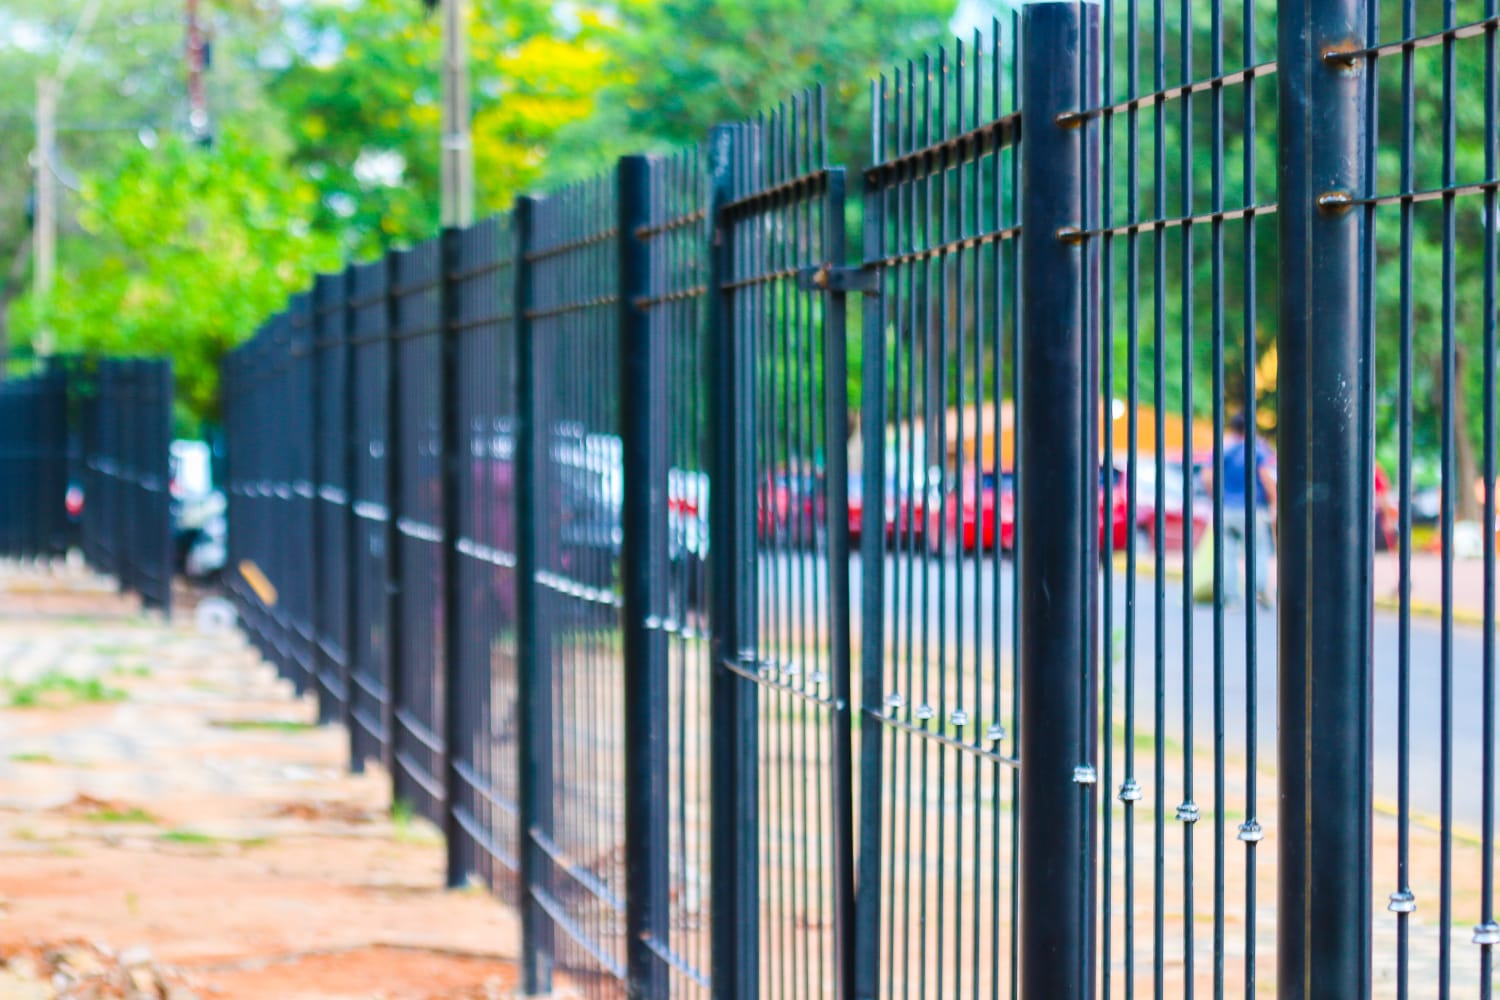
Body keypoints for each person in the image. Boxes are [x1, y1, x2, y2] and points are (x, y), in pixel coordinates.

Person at [1207, 411, 1277, 608]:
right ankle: (1260, 588)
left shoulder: (1223, 450)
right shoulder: (1257, 450)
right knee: (1258, 550)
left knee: (1227, 553)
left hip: (1226, 509)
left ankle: (1231, 597)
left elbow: (1206, 476)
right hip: (1253, 509)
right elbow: (1266, 479)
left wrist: (1218, 497)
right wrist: (1274, 503)